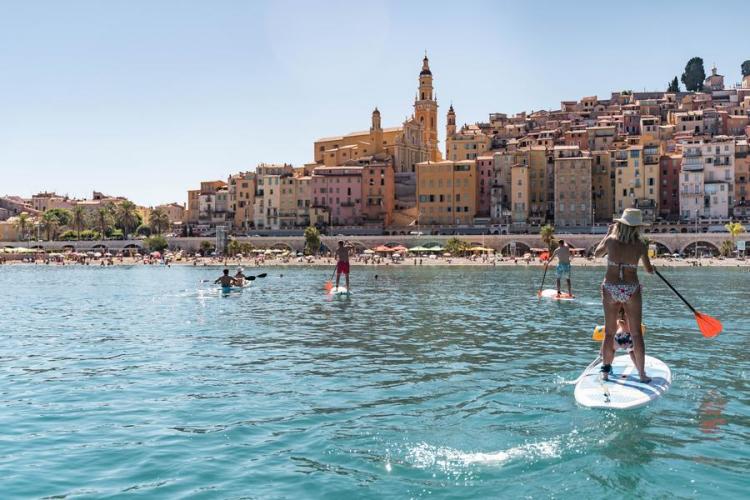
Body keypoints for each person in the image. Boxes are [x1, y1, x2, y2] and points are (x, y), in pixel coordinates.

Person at [594, 208, 654, 382]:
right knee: (636, 334)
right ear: (637, 227)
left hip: (611, 288)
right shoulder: (642, 244)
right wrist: (652, 269)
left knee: (609, 333)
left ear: (620, 224)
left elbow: (597, 253)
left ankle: (605, 373)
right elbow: (649, 270)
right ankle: (642, 375)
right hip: (631, 289)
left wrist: (608, 234)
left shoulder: (611, 241)